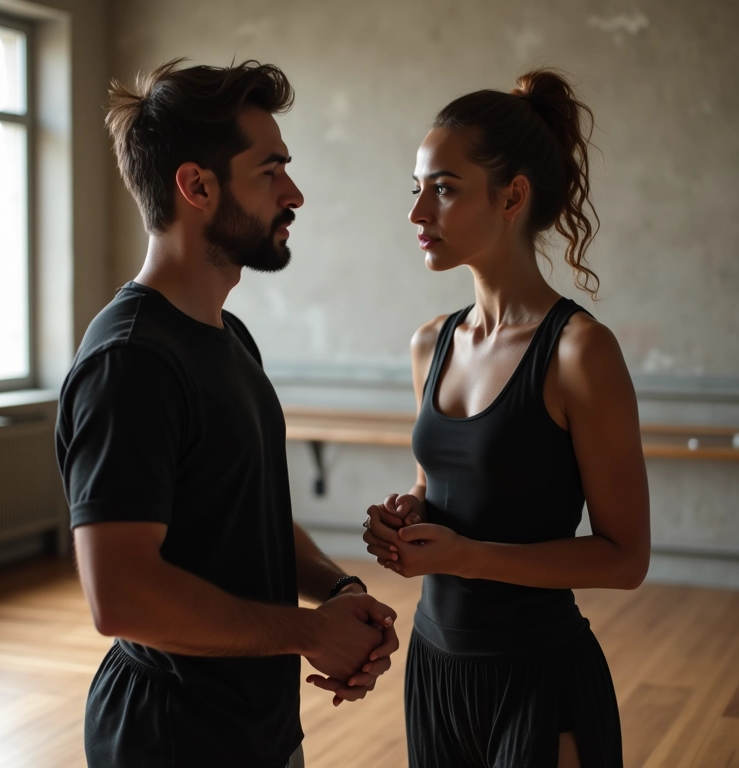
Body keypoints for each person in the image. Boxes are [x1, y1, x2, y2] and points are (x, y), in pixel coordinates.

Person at [56, 58, 399, 768]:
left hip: (257, 729)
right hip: (171, 739)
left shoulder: (228, 336)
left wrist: (338, 593)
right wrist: (311, 634)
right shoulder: (131, 360)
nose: (294, 194)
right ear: (197, 186)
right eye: (270, 172)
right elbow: (120, 597)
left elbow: (250, 515)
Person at [363, 69, 650, 768]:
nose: (417, 213)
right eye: (416, 189)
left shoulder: (580, 352)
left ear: (512, 196)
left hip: (539, 677)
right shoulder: (430, 342)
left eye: (443, 188)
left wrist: (467, 556)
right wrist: (409, 514)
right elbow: (438, 483)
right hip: (434, 668)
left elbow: (626, 558)